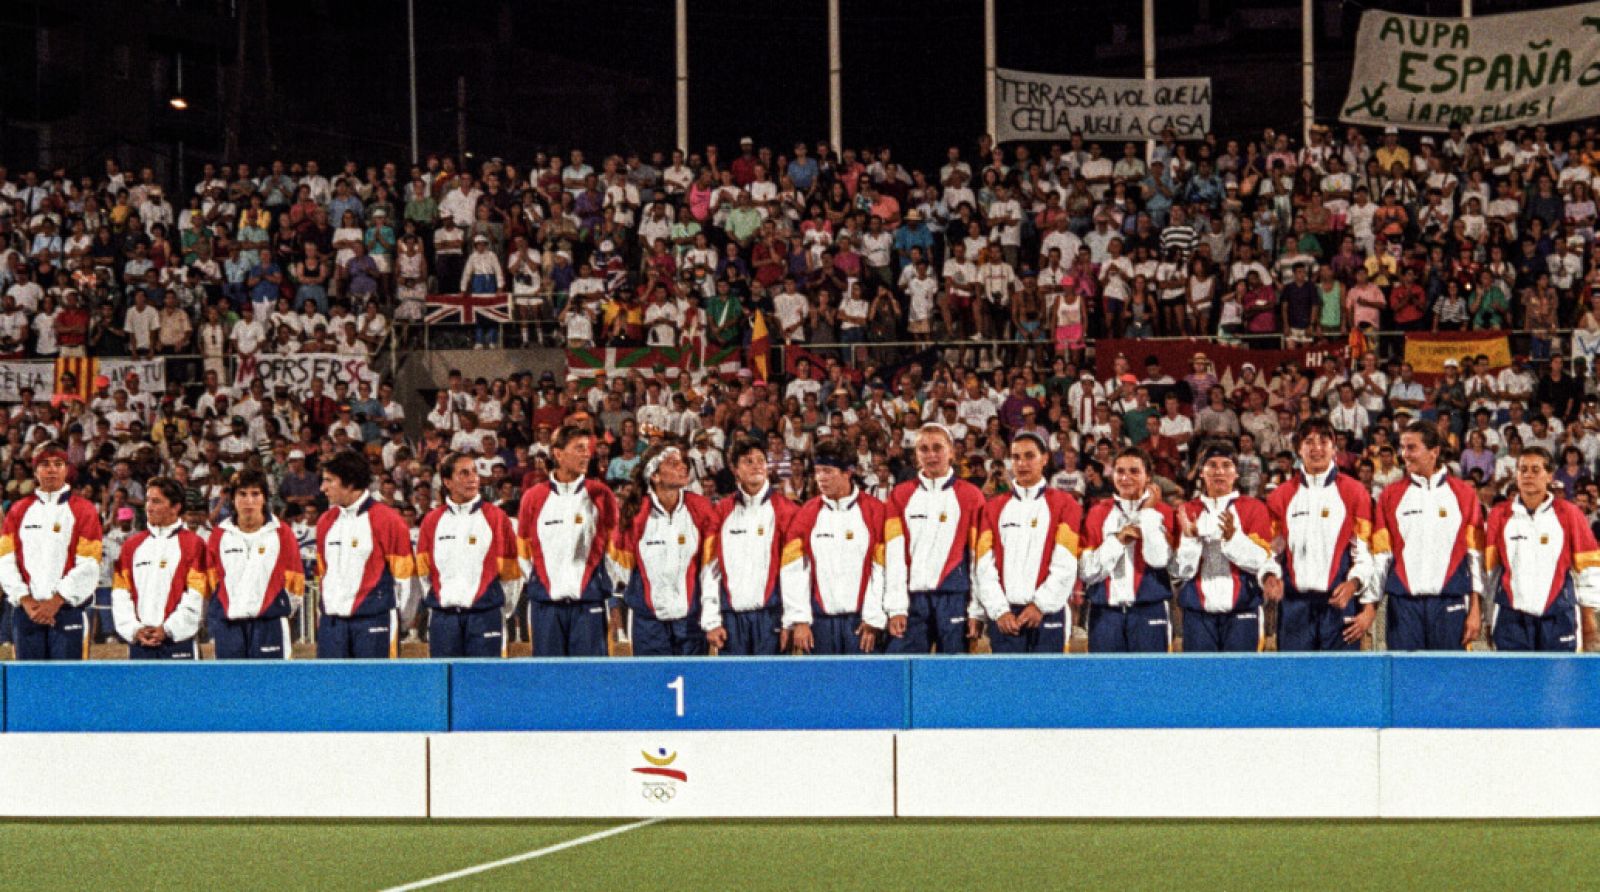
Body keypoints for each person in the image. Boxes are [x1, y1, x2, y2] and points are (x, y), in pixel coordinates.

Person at [1371, 421, 1486, 651]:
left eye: (1412, 448)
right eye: (1402, 448)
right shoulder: (1390, 496)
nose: (1404, 455)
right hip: (1403, 606)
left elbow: (1476, 557)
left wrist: (1476, 609)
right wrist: (1369, 605)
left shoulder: (1464, 495)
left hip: (1450, 601)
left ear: (1434, 451)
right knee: (1405, 681)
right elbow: (1381, 558)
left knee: (1449, 680)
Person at [1265, 417, 1377, 651]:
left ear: (1334, 448)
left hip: (1339, 602)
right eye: (1309, 441)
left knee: (1341, 682)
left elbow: (1365, 551)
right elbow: (1272, 552)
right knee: (1295, 683)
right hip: (1294, 606)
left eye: (1324, 441)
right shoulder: (1280, 496)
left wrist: (1355, 583)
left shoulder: (1354, 492)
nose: (1316, 448)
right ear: (1298, 449)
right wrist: (1269, 576)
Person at [971, 431, 1082, 654]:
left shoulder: (1065, 504)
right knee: (1007, 687)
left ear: (1045, 458)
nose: (1022, 464)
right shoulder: (992, 508)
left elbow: (1066, 564)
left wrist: (1039, 605)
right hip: (1005, 617)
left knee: (1049, 686)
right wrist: (999, 610)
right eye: (1016, 457)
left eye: (1029, 456)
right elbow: (983, 566)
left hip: (1049, 613)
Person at [881, 423, 987, 653]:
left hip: (955, 598)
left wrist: (976, 610)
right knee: (901, 670)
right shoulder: (900, 495)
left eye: (937, 448)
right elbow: (893, 557)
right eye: (924, 449)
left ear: (952, 451)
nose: (931, 455)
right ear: (915, 455)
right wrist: (896, 607)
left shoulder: (971, 496)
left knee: (954, 676)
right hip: (911, 601)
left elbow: (979, 559)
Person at [518, 423, 621, 657]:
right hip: (546, 607)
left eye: (587, 448)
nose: (587, 454)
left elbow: (613, 549)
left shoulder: (601, 494)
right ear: (558, 453)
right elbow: (523, 551)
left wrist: (599, 583)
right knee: (548, 681)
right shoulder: (533, 498)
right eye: (579, 448)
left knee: (591, 680)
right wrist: (541, 583)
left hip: (589, 604)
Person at [1483, 447, 1600, 652]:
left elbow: (1588, 570)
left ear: (1549, 476)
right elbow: (1491, 572)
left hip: (1559, 616)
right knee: (1514, 682)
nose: (1528, 475)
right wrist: (1487, 616)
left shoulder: (1570, 514)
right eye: (1523, 469)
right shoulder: (1499, 515)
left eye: (1535, 470)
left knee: (1560, 683)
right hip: (1512, 618)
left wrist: (1589, 619)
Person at [778, 438, 888, 654]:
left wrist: (874, 617)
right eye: (818, 471)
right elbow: (793, 572)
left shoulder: (875, 512)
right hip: (820, 624)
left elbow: (882, 570)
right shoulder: (806, 515)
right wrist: (799, 620)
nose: (821, 478)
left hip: (862, 623)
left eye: (828, 471)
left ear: (848, 472)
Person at [1171, 441, 1280, 652]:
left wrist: (1232, 539)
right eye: (1211, 465)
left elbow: (1261, 561)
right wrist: (1191, 540)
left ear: (1236, 473)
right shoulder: (1187, 511)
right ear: (1201, 472)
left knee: (1243, 680)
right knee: (1200, 680)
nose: (1219, 471)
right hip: (1197, 611)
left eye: (1226, 465)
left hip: (1243, 609)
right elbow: (1179, 573)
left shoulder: (1253, 508)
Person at [613, 442, 720, 657]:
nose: (683, 467)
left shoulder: (701, 509)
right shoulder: (636, 514)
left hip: (691, 623)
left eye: (683, 462)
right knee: (651, 688)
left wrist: (711, 619)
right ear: (655, 476)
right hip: (648, 625)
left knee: (692, 687)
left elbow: (711, 569)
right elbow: (618, 572)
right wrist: (615, 608)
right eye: (673, 463)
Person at [0, 443, 103, 660]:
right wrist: (25, 600)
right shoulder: (18, 511)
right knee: (29, 684)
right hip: (27, 611)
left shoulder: (84, 510)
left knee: (69, 685)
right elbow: (5, 561)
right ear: (35, 471)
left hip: (67, 610)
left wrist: (56, 601)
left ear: (66, 469)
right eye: (45, 464)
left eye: (58, 464)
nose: (51, 470)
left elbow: (89, 564)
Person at [415, 452, 522, 657]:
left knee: (485, 685)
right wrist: (443, 601)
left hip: (485, 616)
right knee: (445, 685)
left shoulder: (497, 518)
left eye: (474, 472)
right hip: (443, 620)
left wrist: (497, 609)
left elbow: (512, 576)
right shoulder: (431, 521)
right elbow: (424, 574)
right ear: (447, 481)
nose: (473, 478)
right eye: (464, 473)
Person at [314, 449, 419, 658]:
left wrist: (401, 620)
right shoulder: (325, 521)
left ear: (350, 483)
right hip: (332, 624)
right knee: (331, 689)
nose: (322, 488)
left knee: (376, 689)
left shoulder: (387, 519)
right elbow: (323, 574)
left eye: (329, 481)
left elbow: (406, 579)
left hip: (374, 621)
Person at [703, 438, 798, 655]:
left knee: (772, 687)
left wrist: (790, 621)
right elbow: (710, 570)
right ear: (735, 469)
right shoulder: (720, 512)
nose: (756, 465)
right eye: (748, 461)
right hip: (731, 619)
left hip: (771, 616)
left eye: (761, 460)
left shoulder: (787, 511)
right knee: (733, 687)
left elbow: (795, 573)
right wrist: (711, 620)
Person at [1078, 448, 1177, 652]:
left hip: (1150, 610)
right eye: (1120, 471)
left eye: (1134, 471)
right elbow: (1087, 571)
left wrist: (1148, 513)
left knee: (1151, 680)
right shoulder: (1098, 512)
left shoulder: (1165, 513)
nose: (1126, 477)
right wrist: (1118, 540)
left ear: (1148, 476)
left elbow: (1159, 560)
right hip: (1105, 613)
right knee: (1106, 681)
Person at [206, 469, 305, 659]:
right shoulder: (218, 535)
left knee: (272, 686)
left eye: (255, 494)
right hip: (229, 626)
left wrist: (275, 608)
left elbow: (296, 585)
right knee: (230, 687)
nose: (249, 501)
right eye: (242, 494)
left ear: (265, 498)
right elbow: (212, 583)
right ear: (232, 498)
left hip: (270, 625)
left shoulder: (282, 533)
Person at [110, 477, 207, 659]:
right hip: (140, 642)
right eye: (148, 500)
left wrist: (168, 629)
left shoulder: (194, 544)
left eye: (156, 501)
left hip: (179, 642)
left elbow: (196, 596)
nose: (149, 507)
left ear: (176, 507)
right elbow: (120, 595)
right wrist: (134, 629)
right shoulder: (131, 546)